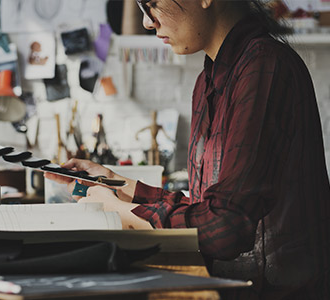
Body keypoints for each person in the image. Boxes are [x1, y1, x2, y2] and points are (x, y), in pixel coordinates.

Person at [45, 0, 330, 299]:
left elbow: (224, 228)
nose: (147, 22)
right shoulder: (210, 80)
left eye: (152, 4)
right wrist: (114, 183)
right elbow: (206, 209)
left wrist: (116, 209)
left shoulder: (263, 67)